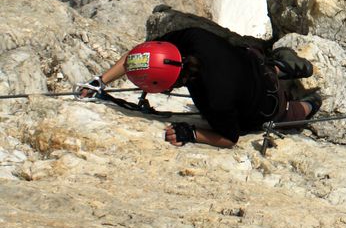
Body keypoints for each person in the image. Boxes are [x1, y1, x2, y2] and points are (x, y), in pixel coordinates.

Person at [78, 27, 318, 148]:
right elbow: (139, 54)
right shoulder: (191, 38)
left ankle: (313, 103)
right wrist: (101, 81)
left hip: (266, 103)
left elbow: (229, 138)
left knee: (294, 112)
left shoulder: (215, 98)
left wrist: (192, 134)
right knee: (255, 71)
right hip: (249, 61)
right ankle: (280, 67)